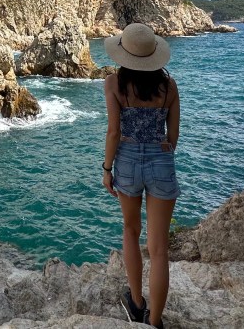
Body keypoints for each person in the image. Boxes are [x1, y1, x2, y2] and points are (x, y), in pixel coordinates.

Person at [102, 23, 180, 329]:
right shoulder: (169, 87)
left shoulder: (113, 83)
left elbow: (113, 132)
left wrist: (107, 169)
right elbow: (173, 136)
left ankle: (136, 303)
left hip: (127, 161)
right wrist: (160, 152)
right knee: (159, 249)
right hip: (161, 160)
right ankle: (155, 321)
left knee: (131, 231)